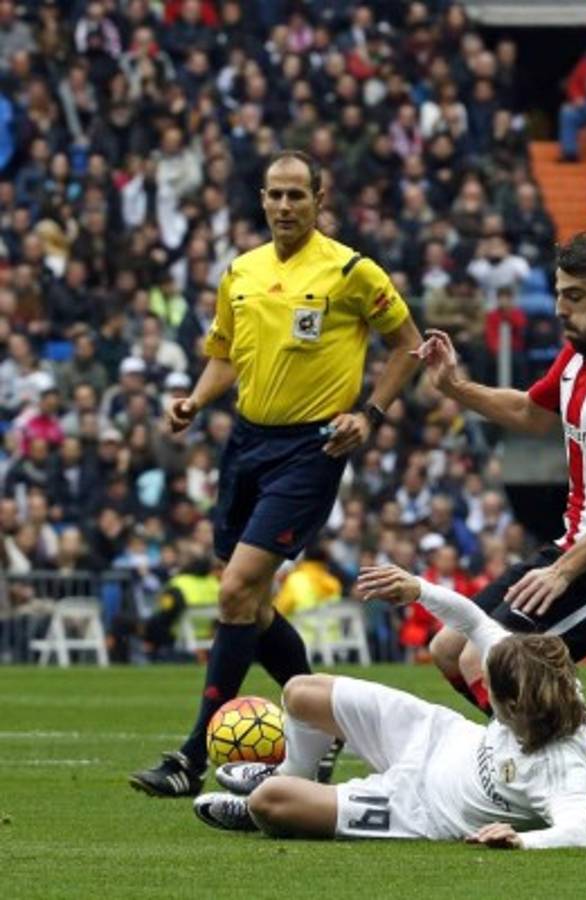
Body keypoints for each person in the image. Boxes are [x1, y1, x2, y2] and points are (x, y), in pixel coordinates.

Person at [129, 150, 421, 797]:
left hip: (311, 449)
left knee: (236, 591)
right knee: (250, 605)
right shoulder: (241, 271)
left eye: (297, 195)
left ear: (319, 199)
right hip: (245, 444)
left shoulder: (351, 271)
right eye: (275, 195)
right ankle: (327, 724)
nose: (285, 206)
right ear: (261, 199)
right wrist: (194, 401)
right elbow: (224, 356)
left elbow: (408, 345)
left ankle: (191, 758)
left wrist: (369, 414)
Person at [415, 231, 586, 718]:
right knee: (448, 649)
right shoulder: (578, 355)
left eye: (575, 296)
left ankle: (563, 754)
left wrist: (563, 571)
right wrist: (454, 386)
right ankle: (550, 744)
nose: (560, 308)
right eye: (560, 294)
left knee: (487, 659)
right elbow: (530, 413)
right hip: (571, 549)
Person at [192, 564, 586, 849]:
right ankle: (292, 772)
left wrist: (519, 839)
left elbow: (578, 832)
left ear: (512, 704)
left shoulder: (560, 765)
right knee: (301, 692)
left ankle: (265, 799)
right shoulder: (531, 669)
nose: (483, 688)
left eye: (489, 687)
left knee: (270, 802)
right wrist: (418, 588)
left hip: (419, 810)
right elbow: (474, 622)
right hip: (434, 734)